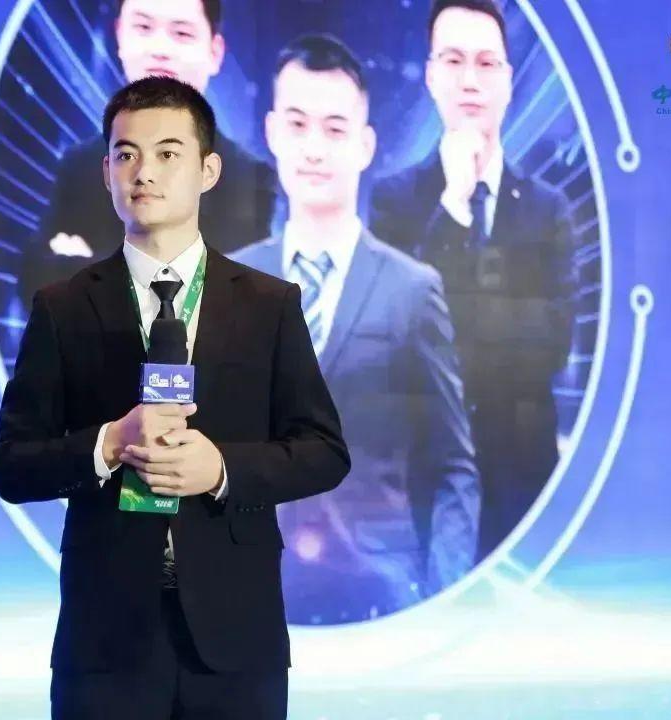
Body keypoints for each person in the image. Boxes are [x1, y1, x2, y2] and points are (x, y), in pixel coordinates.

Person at [0, 76, 349, 719]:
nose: (144, 172)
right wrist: (108, 443)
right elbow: (11, 466)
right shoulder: (62, 308)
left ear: (208, 170)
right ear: (105, 172)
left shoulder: (268, 305)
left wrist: (223, 469)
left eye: (167, 153)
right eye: (126, 154)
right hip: (105, 640)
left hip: (236, 638)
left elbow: (323, 451)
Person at [230, 34, 478, 624]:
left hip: (380, 600)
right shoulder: (223, 284)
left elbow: (453, 467)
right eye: (298, 125)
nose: (314, 148)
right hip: (245, 593)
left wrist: (443, 598)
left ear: (365, 146)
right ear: (272, 133)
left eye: (334, 129)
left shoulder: (412, 290)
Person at [370, 0, 575, 561]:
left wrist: (456, 329)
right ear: (431, 75)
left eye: (487, 63)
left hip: (526, 483)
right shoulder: (394, 202)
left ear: (508, 81)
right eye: (453, 60)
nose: (470, 80)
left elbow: (554, 343)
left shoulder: (548, 209)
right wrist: (454, 209)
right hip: (423, 483)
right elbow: (397, 337)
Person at [18, 0, 276, 309]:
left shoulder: (248, 180)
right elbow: (36, 286)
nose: (160, 49)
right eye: (143, 27)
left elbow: (229, 306)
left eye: (181, 33)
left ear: (215, 52)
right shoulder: (79, 168)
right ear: (119, 36)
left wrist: (89, 274)